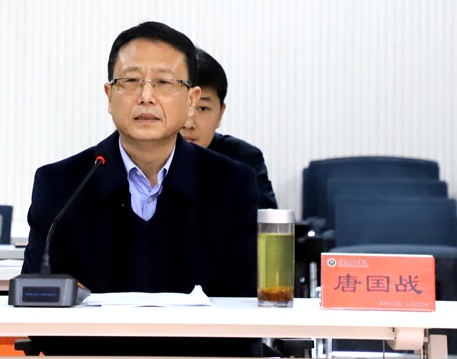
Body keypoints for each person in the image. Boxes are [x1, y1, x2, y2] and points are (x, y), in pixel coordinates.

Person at [22, 22, 261, 357]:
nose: (146, 96)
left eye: (164, 82)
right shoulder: (62, 184)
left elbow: (245, 311)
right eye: (131, 81)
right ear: (109, 96)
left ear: (191, 100)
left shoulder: (231, 183)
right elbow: (39, 311)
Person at [180, 48, 278, 209]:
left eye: (203, 108)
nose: (188, 123)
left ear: (220, 114)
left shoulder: (243, 160)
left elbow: (265, 222)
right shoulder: (139, 156)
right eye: (182, 106)